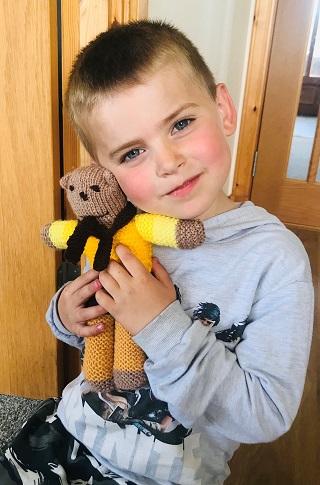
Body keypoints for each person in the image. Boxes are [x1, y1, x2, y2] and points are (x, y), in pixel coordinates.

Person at [0, 20, 314, 485]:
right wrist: (66, 316)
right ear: (106, 173)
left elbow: (266, 414)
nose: (168, 163)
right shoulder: (120, 231)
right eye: (131, 153)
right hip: (63, 432)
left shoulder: (274, 259)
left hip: (159, 476)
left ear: (224, 109)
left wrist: (160, 325)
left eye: (181, 124)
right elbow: (92, 338)